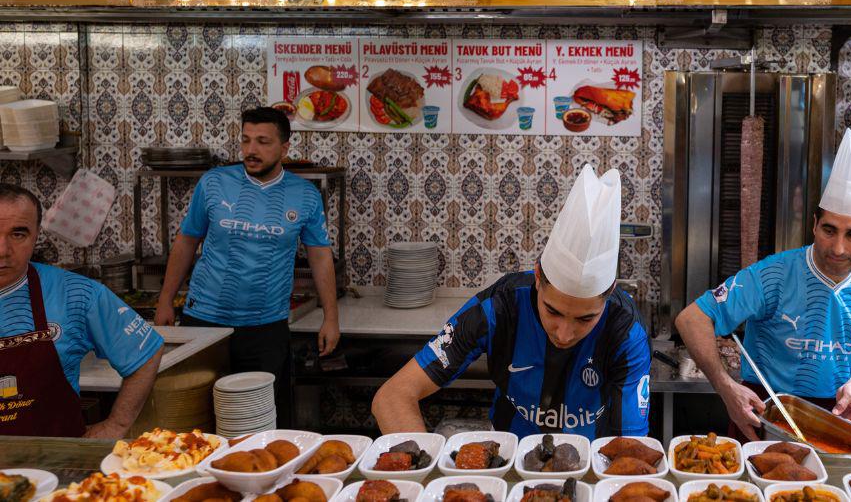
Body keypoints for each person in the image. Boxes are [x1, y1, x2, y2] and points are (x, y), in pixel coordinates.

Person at [372, 165, 652, 438]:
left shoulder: (625, 330)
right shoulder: (499, 307)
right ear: (538, 277)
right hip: (509, 465)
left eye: (585, 318)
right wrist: (417, 467)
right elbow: (392, 396)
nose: (564, 334)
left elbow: (629, 447)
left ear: (611, 290)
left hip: (591, 470)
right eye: (552, 311)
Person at [676, 129, 851, 439]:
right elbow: (691, 318)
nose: (838, 248)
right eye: (829, 230)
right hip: (762, 417)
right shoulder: (774, 274)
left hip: (834, 419)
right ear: (813, 225)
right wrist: (726, 388)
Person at [155, 106, 340, 427]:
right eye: (246, 140)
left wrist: (331, 318)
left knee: (257, 422)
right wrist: (164, 301)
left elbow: (320, 256)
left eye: (263, 142)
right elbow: (186, 241)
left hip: (265, 329)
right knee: (195, 418)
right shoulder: (214, 183)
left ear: (284, 148)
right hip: (203, 322)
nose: (251, 151)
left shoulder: (305, 195)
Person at [0, 184, 164, 437]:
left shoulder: (78, 294)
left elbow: (146, 351)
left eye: (18, 234)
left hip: (57, 466)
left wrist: (116, 425)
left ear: (35, 237)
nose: (3, 250)